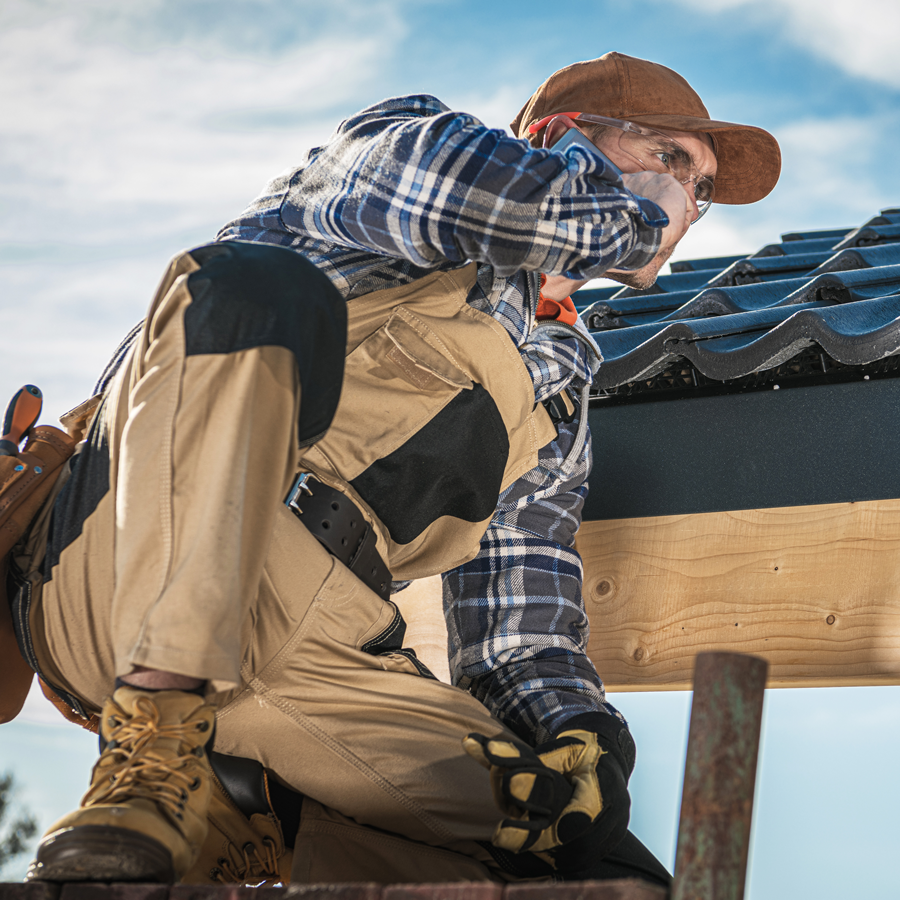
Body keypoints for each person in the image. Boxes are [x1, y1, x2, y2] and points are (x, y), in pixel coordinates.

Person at [3, 52, 779, 887]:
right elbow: (472, 191)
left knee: (581, 856)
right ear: (562, 135)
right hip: (124, 570)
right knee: (244, 288)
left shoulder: (559, 389)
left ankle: (243, 808)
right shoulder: (396, 160)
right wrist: (632, 217)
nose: (688, 199)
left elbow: (517, 631)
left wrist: (581, 732)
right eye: (669, 157)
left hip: (323, 658)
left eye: (700, 188)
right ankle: (152, 749)